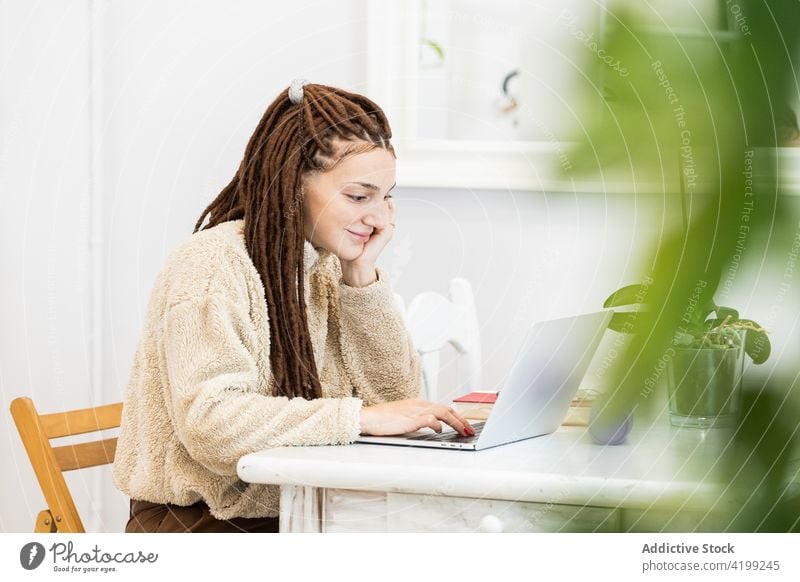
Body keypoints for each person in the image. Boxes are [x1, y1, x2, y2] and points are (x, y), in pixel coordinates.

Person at [113, 80, 475, 533]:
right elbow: (210, 423)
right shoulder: (211, 265)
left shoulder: (325, 264)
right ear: (293, 181)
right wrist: (356, 417)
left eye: (385, 197)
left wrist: (360, 278)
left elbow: (393, 402)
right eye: (359, 197)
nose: (380, 217)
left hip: (301, 507)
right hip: (204, 522)